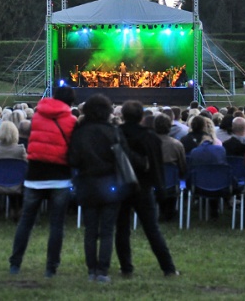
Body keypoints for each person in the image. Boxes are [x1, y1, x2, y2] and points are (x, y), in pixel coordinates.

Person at [68, 94, 139, 283]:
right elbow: (124, 157)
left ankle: (92, 269)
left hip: (87, 185)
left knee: (90, 230)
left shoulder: (79, 133)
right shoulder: (113, 131)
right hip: (110, 186)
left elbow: (72, 159)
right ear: (108, 111)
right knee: (107, 230)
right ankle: (102, 271)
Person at [9, 87, 76, 279]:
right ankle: (51, 268)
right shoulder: (70, 121)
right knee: (56, 225)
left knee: (26, 222)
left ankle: (15, 263)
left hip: (35, 175)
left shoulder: (37, 117)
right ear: (70, 102)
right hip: (60, 177)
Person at [116, 101, 179, 278]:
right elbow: (156, 166)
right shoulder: (150, 137)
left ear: (123, 115)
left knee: (122, 229)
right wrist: (161, 190)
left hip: (121, 186)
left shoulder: (117, 134)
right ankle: (168, 268)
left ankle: (126, 268)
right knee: (152, 229)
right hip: (143, 188)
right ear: (142, 117)